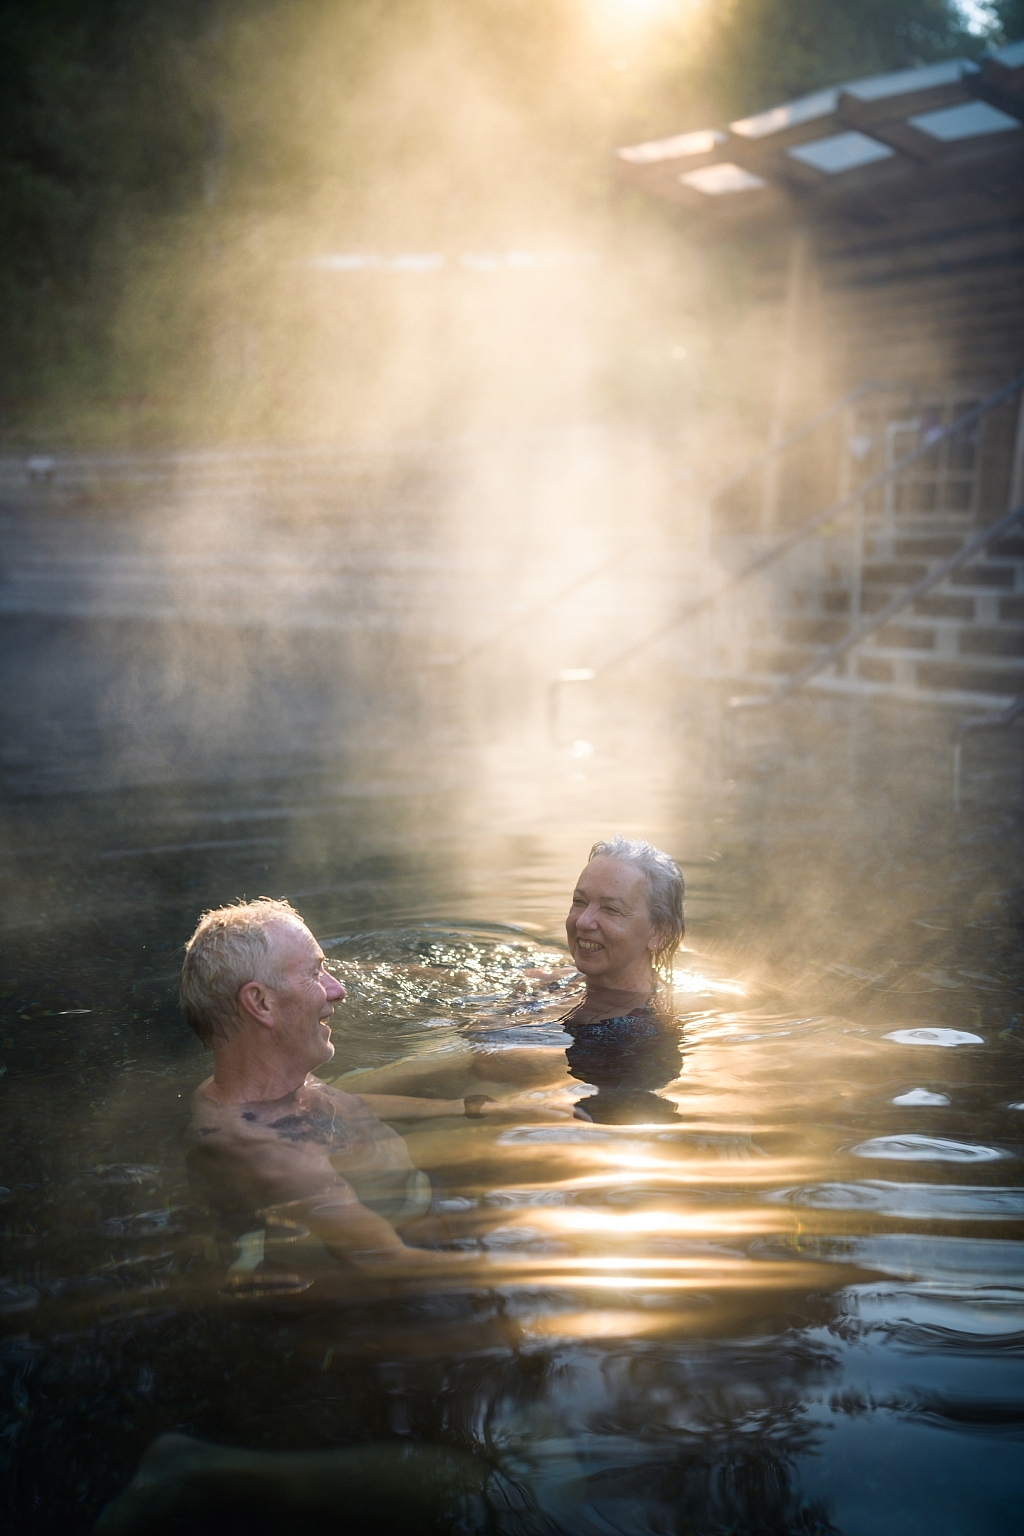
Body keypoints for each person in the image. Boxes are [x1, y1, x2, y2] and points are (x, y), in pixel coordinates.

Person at [181, 898, 569, 1272]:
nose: (338, 990)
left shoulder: (267, 1088)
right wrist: (559, 1264)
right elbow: (389, 1263)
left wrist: (470, 1108)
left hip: (421, 1200)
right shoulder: (274, 1157)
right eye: (315, 974)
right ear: (261, 1003)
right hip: (411, 1239)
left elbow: (341, 1102)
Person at [465, 835, 686, 1122]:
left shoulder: (645, 1033)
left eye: (610, 909)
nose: (582, 921)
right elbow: (463, 981)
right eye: (579, 902)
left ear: (659, 933)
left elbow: (527, 1079)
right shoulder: (552, 981)